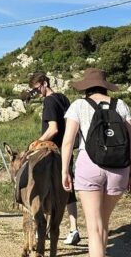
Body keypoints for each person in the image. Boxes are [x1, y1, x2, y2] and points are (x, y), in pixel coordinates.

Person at [60, 68, 131, 257]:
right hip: (119, 168)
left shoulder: (78, 105)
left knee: (94, 227)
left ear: (86, 86)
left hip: (89, 165)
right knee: (103, 221)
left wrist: (64, 171)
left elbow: (68, 141)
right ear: (106, 87)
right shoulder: (121, 105)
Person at [26, 72, 81, 245]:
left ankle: (43, 229)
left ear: (44, 83)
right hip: (66, 149)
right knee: (66, 187)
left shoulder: (49, 101)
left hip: (52, 151)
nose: (36, 93)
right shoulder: (63, 98)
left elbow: (53, 129)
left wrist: (36, 143)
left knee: (44, 187)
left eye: (36, 89)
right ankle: (73, 229)